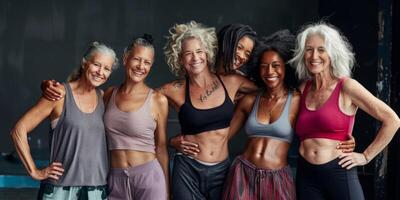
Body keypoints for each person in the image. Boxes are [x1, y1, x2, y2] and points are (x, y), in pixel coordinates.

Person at [289, 22, 400, 199]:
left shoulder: (347, 86)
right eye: (309, 49)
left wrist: (366, 156)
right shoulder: (303, 88)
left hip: (339, 172)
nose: (314, 55)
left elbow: (392, 120)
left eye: (321, 50)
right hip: (306, 175)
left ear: (332, 54)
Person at [160, 21, 257, 200]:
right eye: (188, 54)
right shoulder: (173, 89)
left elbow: (271, 90)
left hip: (222, 171)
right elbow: (141, 115)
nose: (195, 58)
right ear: (179, 58)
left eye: (199, 51)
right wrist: (171, 141)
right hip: (186, 170)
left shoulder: (234, 81)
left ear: (207, 52)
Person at [11, 41, 118, 200]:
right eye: (96, 64)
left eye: (107, 68)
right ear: (84, 63)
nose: (100, 72)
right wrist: (34, 170)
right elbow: (19, 130)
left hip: (97, 191)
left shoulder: (104, 97)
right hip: (59, 191)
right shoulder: (59, 95)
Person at [222, 30, 299, 200]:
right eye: (264, 66)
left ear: (286, 66)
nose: (269, 71)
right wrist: (179, 141)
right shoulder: (250, 100)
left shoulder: (297, 100)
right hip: (242, 174)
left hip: (278, 178)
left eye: (276, 65)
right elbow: (222, 137)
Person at [103, 35, 169, 200]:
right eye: (137, 59)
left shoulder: (158, 100)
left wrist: (167, 191)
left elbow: (161, 149)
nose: (141, 66)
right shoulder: (110, 94)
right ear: (126, 59)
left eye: (147, 62)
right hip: (115, 179)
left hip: (149, 180)